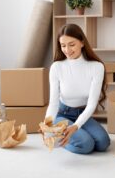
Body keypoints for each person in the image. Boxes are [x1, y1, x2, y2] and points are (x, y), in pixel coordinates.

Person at [45, 23, 110, 154]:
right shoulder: (57, 67)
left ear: (82, 42)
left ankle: (75, 134)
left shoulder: (97, 67)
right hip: (62, 114)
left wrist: (76, 126)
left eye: (72, 44)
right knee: (86, 145)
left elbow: (91, 104)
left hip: (83, 113)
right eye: (63, 45)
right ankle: (61, 141)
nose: (67, 50)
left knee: (103, 143)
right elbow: (53, 103)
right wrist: (47, 125)